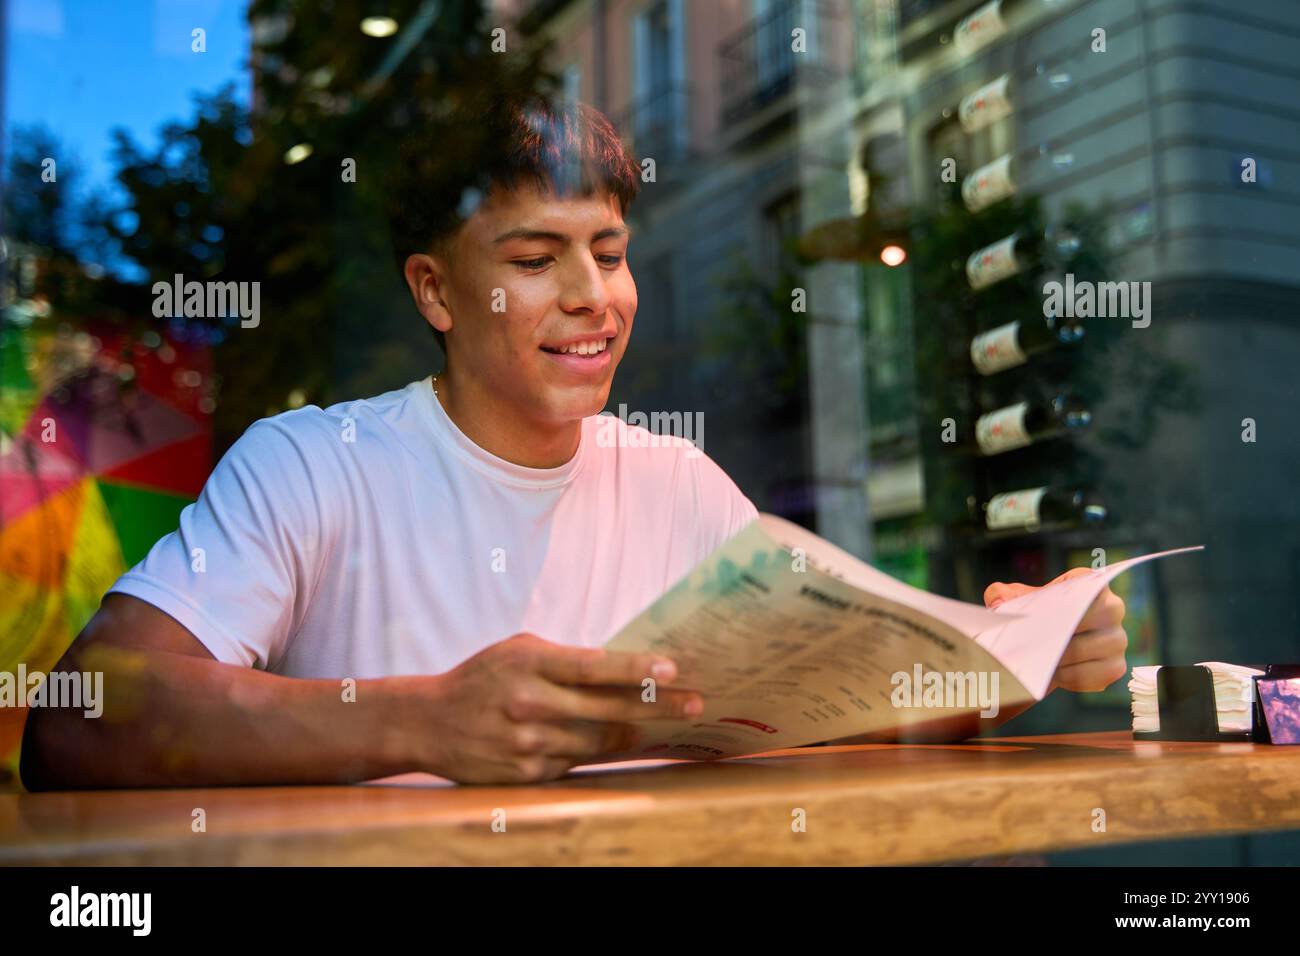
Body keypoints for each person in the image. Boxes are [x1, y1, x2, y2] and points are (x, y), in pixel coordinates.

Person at [20, 99, 1126, 789]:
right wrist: (420, 719)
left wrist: (1006, 662)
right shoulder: (313, 462)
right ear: (436, 290)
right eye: (537, 257)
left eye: (610, 248)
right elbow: (84, 719)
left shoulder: (677, 481)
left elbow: (824, 701)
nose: (595, 296)